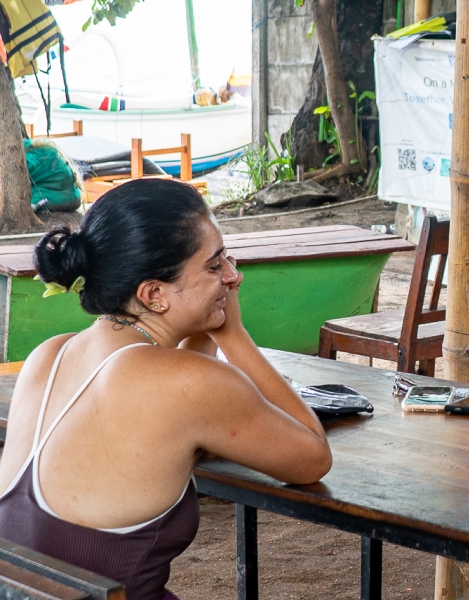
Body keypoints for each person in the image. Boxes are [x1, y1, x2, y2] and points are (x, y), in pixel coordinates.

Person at [0, 179, 332, 600]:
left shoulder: (50, 355)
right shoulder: (182, 382)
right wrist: (234, 335)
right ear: (154, 293)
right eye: (215, 267)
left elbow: (181, 395)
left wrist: (206, 322)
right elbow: (312, 458)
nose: (234, 277)